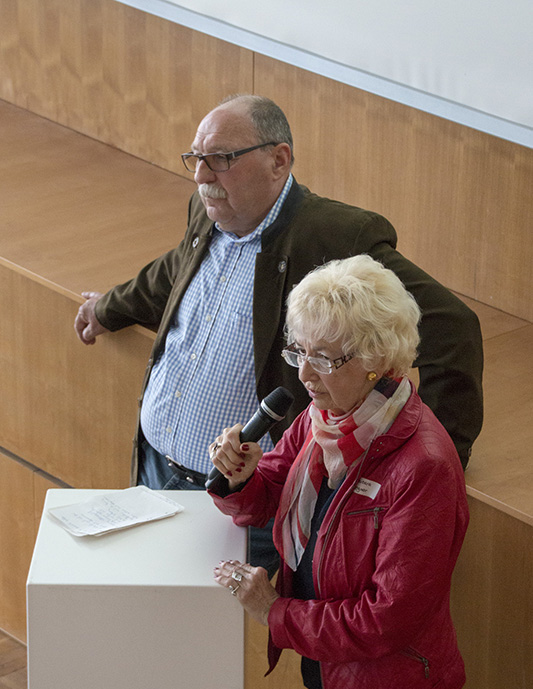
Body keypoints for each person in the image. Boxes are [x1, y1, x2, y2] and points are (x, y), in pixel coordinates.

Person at [73, 94, 482, 572]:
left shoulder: (331, 237)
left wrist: (435, 456)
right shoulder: (210, 210)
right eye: (196, 160)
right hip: (156, 473)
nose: (203, 176)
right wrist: (109, 307)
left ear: (278, 160)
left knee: (220, 641)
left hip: (252, 505)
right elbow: (175, 272)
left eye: (221, 160)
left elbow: (451, 326)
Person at [211, 254, 468, 689]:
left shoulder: (423, 464)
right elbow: (273, 490)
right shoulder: (325, 414)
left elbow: (386, 619)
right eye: (299, 352)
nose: (303, 374)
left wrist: (274, 612)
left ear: (377, 359)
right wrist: (240, 477)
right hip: (328, 665)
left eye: (323, 358)